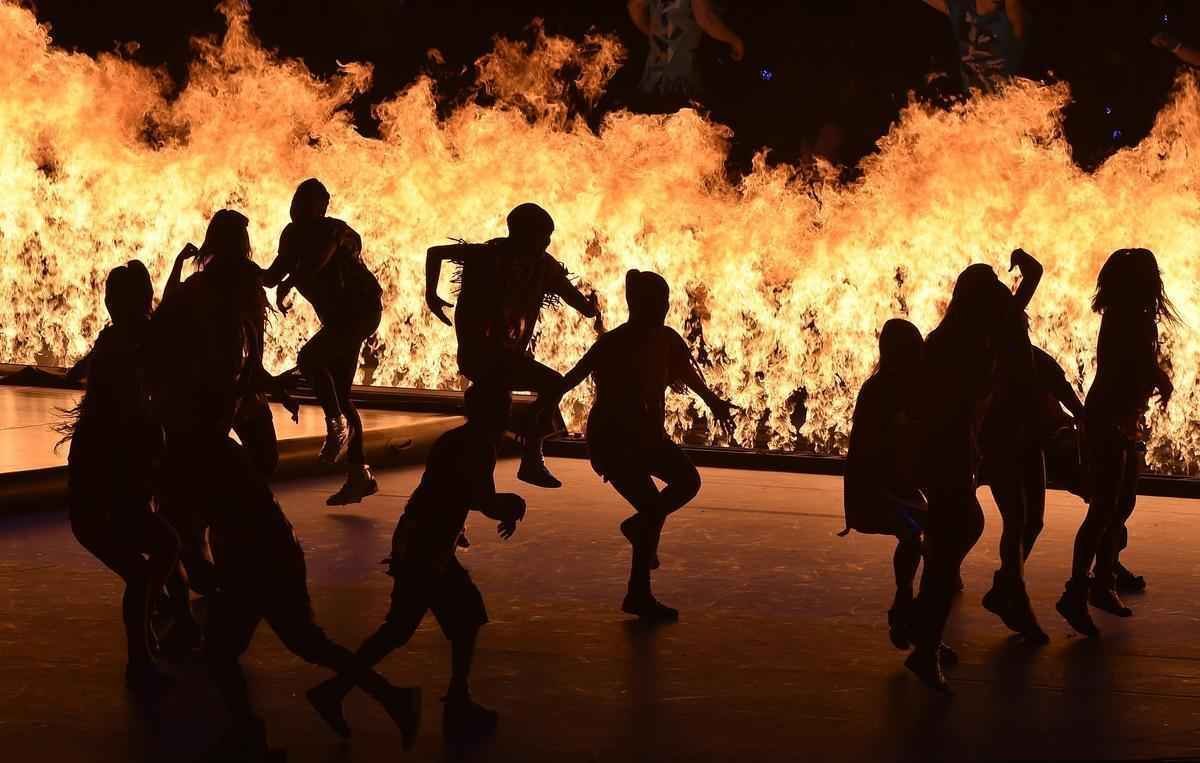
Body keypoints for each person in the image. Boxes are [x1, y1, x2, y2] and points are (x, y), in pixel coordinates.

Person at [149, 210, 409, 757]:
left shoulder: (208, 443)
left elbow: (214, 352)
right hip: (267, 551)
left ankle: (254, 729)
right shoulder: (222, 292)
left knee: (264, 643)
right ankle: (381, 699)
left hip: (259, 555)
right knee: (301, 641)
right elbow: (200, 340)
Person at [307, 384, 526, 745]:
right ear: (490, 410)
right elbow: (483, 500)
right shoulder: (480, 446)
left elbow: (454, 492)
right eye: (503, 405)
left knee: (427, 622)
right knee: (425, 623)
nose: (508, 412)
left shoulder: (455, 439)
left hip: (419, 538)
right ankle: (341, 691)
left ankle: (344, 690)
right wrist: (515, 506)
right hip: (428, 546)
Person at [553, 270, 735, 620]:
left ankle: (638, 549)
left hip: (649, 438)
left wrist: (714, 403)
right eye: (655, 303)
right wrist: (542, 408)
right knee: (652, 508)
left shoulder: (667, 339)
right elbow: (573, 377)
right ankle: (639, 590)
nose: (663, 309)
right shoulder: (613, 342)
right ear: (636, 305)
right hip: (613, 440)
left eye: (664, 302)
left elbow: (687, 374)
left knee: (685, 483)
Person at [905, 250, 1041, 693]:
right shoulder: (960, 349)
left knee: (950, 544)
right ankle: (922, 646)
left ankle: (922, 631)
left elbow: (1018, 301)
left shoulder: (959, 338)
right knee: (949, 550)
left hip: (953, 455)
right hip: (948, 456)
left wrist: (1027, 267)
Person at [59, 261, 180, 693]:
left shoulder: (116, 343)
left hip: (101, 499)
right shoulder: (127, 351)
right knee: (148, 568)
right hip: (101, 504)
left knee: (161, 555)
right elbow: (163, 326)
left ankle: (154, 627)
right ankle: (141, 656)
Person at [425, 202, 601, 489]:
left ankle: (479, 487)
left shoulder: (543, 265)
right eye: (542, 235)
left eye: (549, 237)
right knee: (551, 385)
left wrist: (591, 307)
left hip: (507, 356)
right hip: (481, 355)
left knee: (489, 427)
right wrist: (431, 294)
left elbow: (576, 300)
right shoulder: (488, 254)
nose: (547, 242)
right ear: (521, 233)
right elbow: (436, 252)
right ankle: (530, 456)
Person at [1056, 249, 1175, 637]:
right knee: (1106, 507)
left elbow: (1136, 364)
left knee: (1119, 504)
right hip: (1109, 421)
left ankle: (1102, 581)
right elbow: (1132, 363)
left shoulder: (1130, 318)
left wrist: (1156, 379)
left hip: (1120, 420)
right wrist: (1158, 378)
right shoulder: (1129, 319)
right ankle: (1078, 590)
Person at [262, 178, 383, 506]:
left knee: (310, 359)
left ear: (321, 207)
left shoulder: (336, 231)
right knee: (342, 394)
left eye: (307, 201)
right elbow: (271, 275)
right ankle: (360, 475)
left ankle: (336, 426)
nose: (297, 205)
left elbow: (319, 262)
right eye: (297, 198)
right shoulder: (290, 235)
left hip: (361, 311)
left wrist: (288, 281)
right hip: (338, 319)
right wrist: (237, 268)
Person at [842, 319, 929, 651]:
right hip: (875, 492)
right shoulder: (878, 391)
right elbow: (865, 454)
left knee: (921, 535)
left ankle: (909, 609)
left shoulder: (904, 388)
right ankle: (907, 608)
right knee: (912, 534)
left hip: (896, 489)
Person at [627, 0, 745, 108]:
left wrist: (651, 33)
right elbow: (706, 19)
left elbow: (635, 6)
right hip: (683, 72)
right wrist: (735, 41)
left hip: (653, 72)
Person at [920, 0, 1026, 92]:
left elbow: (1020, 43)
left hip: (1010, 97)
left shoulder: (1009, 6)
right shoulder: (959, 8)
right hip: (974, 102)